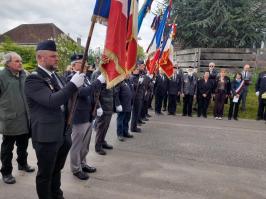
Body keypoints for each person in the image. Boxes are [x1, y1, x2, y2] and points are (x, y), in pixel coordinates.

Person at [24, 40, 85, 199]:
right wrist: (72, 85)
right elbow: (52, 100)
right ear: (40, 58)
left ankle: (56, 194)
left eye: (56, 56)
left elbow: (67, 99)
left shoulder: (56, 76)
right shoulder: (33, 79)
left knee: (56, 170)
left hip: (62, 133)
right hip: (46, 136)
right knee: (45, 174)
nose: (57, 59)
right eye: (53, 56)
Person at [67, 54, 104, 180]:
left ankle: (82, 163)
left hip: (88, 115)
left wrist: (97, 106)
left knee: (85, 145)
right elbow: (83, 92)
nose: (85, 64)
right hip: (78, 117)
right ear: (73, 66)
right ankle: (76, 168)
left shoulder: (85, 78)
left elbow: (92, 93)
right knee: (76, 145)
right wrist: (98, 81)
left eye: (85, 62)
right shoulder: (72, 78)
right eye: (80, 62)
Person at [0, 52, 35, 184]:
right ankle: (6, 172)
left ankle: (22, 164)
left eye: (20, 61)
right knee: (7, 149)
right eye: (16, 61)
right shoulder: (1, 76)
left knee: (23, 145)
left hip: (25, 118)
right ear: (8, 63)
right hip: (9, 119)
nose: (20, 63)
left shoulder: (24, 74)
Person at [91, 66, 116, 156]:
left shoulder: (109, 71)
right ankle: (98, 147)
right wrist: (98, 106)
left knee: (106, 126)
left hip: (109, 104)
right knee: (101, 127)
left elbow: (112, 89)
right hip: (102, 105)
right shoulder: (98, 73)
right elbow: (95, 92)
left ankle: (102, 141)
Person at [115, 75, 134, 141]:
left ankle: (125, 132)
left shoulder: (128, 81)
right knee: (120, 120)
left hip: (128, 104)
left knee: (127, 120)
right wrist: (118, 104)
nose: (129, 75)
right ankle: (120, 134)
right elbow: (116, 94)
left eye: (129, 73)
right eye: (127, 74)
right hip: (122, 105)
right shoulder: (119, 81)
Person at [130, 64, 145, 132]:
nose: (138, 71)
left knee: (137, 112)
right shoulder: (132, 77)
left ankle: (134, 126)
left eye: (138, 70)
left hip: (139, 96)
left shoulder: (138, 76)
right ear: (133, 70)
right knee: (135, 113)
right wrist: (139, 82)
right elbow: (134, 87)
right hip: (135, 98)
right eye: (137, 70)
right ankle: (133, 127)